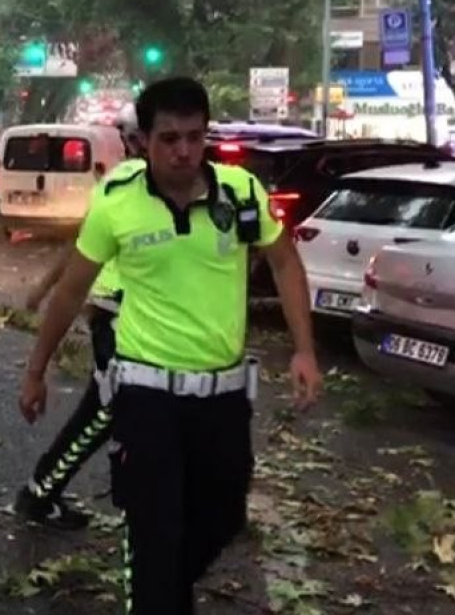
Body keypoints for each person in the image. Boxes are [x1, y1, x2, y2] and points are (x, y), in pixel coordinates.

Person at [19, 77, 321, 614]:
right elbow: (73, 289)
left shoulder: (241, 194)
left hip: (223, 396)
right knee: (153, 526)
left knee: (224, 516)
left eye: (194, 136)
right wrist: (36, 369)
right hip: (146, 392)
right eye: (169, 138)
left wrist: (304, 350)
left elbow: (283, 263)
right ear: (145, 140)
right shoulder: (119, 203)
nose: (183, 150)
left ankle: (163, 592)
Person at [14, 112, 145, 530]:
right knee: (106, 409)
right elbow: (85, 246)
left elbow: (78, 244)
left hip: (121, 311)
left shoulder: (123, 183)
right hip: (117, 311)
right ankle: (40, 492)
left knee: (124, 407)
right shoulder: (134, 186)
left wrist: (42, 288)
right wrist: (46, 291)